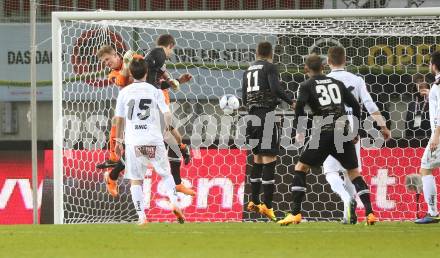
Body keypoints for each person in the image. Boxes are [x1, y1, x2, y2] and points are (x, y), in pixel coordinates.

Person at [277, 54, 377, 226]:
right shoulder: (337, 84)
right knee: (354, 173)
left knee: (301, 168)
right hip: (343, 131)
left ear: (306, 69)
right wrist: (355, 131)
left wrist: (298, 131)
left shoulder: (306, 85)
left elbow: (300, 108)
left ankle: (295, 213)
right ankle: (369, 213)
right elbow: (354, 105)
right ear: (323, 67)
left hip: (323, 131)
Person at [96, 37, 195, 197]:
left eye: (108, 59)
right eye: (104, 61)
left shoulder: (137, 60)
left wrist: (175, 81)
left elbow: (154, 77)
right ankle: (176, 179)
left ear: (116, 56)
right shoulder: (113, 74)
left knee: (165, 142)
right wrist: (127, 65)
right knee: (148, 148)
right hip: (139, 115)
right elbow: (122, 81)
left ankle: (176, 179)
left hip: (155, 106)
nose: (106, 63)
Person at [322, 46, 391, 224]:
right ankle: (349, 215)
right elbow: (369, 104)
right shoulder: (356, 80)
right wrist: (382, 126)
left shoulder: (323, 80)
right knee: (351, 171)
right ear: (345, 60)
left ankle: (346, 199)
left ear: (328, 62)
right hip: (352, 127)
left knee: (330, 170)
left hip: (331, 125)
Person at [114, 57, 184, 225]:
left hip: (134, 142)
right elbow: (167, 114)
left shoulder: (124, 93)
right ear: (146, 72)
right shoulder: (155, 91)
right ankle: (175, 203)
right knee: (165, 174)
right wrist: (166, 129)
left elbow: (119, 119)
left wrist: (118, 141)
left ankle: (141, 217)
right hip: (153, 139)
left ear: (131, 73)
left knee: (136, 180)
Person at [242, 41, 294, 222]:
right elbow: (276, 89)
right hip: (266, 115)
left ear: (257, 53)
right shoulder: (270, 67)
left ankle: (254, 201)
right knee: (270, 159)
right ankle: (268, 206)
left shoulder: (248, 70)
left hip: (251, 117)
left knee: (257, 158)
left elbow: (243, 96)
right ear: (271, 54)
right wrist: (291, 101)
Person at [414, 51, 440, 224]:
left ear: (434, 65)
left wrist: (437, 135)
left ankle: (432, 212)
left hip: (439, 135)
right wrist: (431, 93)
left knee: (425, 168)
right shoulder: (437, 86)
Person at [406, 74, 431, 141]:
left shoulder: (433, 102)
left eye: (424, 86)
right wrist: (408, 139)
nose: (422, 89)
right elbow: (408, 124)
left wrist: (431, 96)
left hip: (430, 138)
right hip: (414, 138)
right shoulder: (412, 104)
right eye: (419, 86)